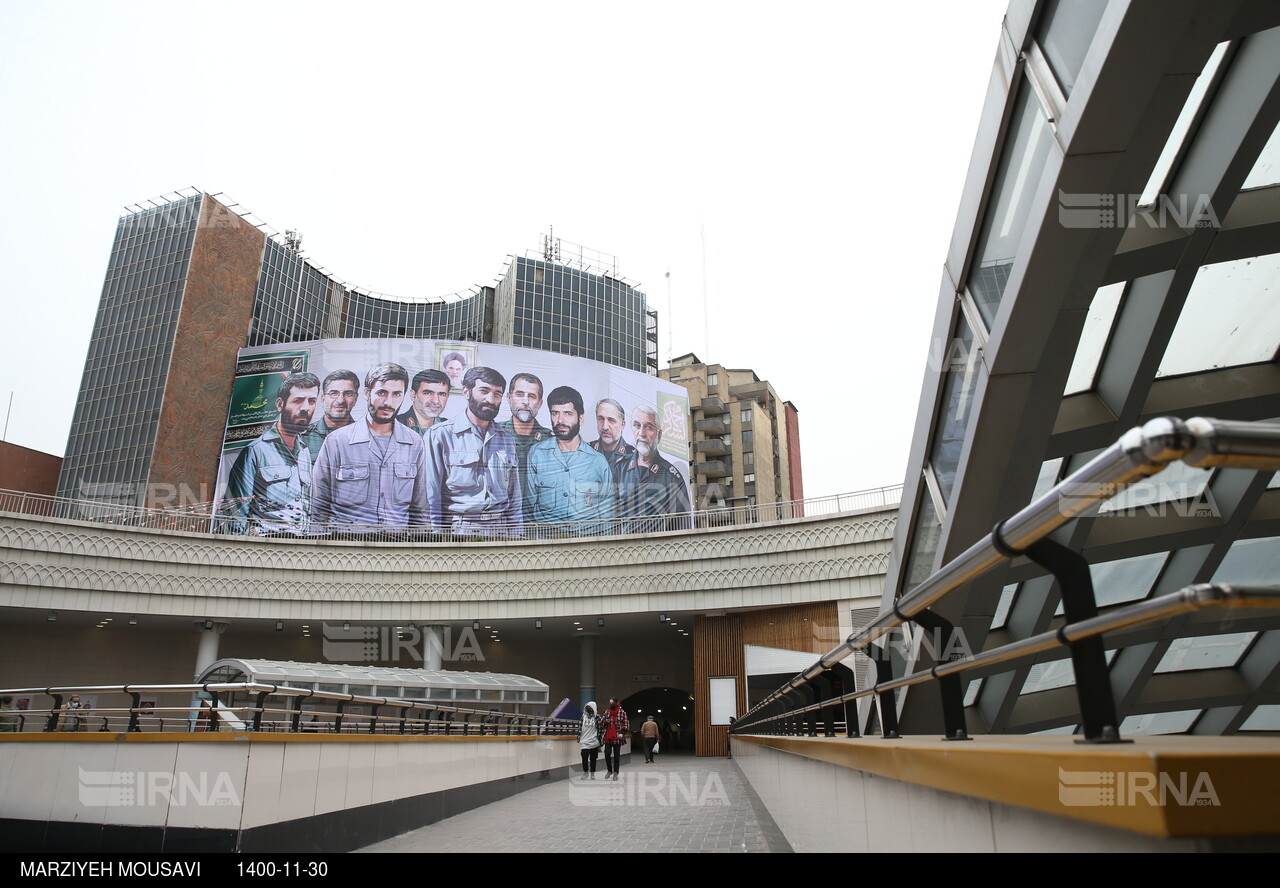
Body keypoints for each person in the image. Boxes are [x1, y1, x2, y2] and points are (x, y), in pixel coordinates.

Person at [310, 363, 428, 530]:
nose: (388, 402)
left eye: (396, 394)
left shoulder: (414, 443)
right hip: (347, 547)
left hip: (396, 549)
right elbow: (319, 506)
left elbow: (420, 508)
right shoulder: (337, 441)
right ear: (367, 393)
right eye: (381, 393)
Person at [423, 367, 524, 534]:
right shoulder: (440, 435)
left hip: (501, 532)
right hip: (460, 531)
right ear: (466, 392)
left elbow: (515, 498)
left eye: (497, 394)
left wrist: (517, 536)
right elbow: (431, 498)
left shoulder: (506, 438)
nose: (490, 399)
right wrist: (437, 540)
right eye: (484, 391)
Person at [223, 372, 321, 534]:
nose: (306, 408)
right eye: (298, 400)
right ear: (280, 404)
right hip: (263, 548)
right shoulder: (256, 451)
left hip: (299, 549)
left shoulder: (304, 451)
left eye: (312, 401)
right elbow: (235, 512)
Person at [526, 386, 617, 534]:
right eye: (555, 413)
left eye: (568, 413)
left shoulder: (597, 462)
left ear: (580, 419)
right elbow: (529, 506)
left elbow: (607, 515)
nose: (560, 420)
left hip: (586, 546)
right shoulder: (537, 454)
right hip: (547, 545)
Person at [616, 404, 692, 532]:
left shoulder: (672, 477)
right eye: (637, 425)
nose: (641, 433)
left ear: (659, 435)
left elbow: (682, 523)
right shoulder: (619, 469)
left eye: (648, 427)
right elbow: (608, 517)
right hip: (624, 549)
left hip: (658, 549)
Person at [497, 372, 553, 519]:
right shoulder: (493, 437)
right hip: (501, 526)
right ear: (509, 398)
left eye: (532, 396)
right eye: (520, 394)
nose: (525, 401)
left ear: (540, 403)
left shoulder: (552, 442)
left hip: (540, 528)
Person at [306, 370, 360, 461]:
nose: (340, 400)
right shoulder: (303, 437)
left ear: (356, 399)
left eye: (348, 394)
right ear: (323, 399)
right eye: (333, 393)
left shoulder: (366, 437)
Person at [588, 398, 636, 480]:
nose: (605, 426)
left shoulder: (635, 458)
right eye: (601, 419)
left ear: (622, 425)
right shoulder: (585, 451)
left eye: (611, 420)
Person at [399, 369, 451, 434]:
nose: (435, 401)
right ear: (413, 395)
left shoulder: (451, 429)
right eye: (428, 393)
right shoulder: (394, 426)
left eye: (441, 394)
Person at [599, 697, 629, 780]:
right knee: (607, 753)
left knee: (616, 755)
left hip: (617, 737)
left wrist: (622, 733)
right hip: (608, 736)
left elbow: (626, 724)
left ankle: (616, 772)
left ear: (616, 703)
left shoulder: (622, 713)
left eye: (612, 702)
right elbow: (601, 724)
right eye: (610, 703)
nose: (611, 704)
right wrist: (605, 722)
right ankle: (609, 770)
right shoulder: (607, 712)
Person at [578, 701, 602, 779]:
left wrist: (600, 739)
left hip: (594, 740)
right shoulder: (583, 717)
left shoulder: (597, 717)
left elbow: (600, 728)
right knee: (584, 755)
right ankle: (585, 772)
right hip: (584, 740)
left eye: (590, 707)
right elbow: (580, 727)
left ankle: (592, 773)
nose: (588, 709)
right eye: (587, 707)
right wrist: (578, 737)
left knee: (593, 757)